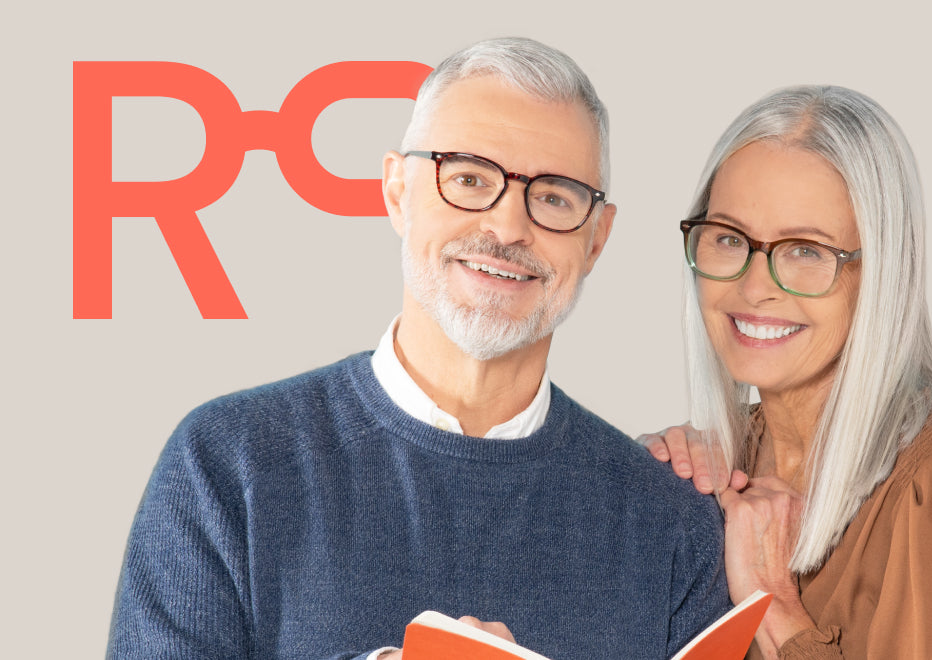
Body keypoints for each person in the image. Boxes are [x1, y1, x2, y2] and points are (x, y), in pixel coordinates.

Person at [109, 37, 731, 659]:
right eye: (467, 178)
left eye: (553, 197)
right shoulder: (227, 463)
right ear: (397, 192)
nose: (508, 227)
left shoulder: (671, 525)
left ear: (597, 240)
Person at [639, 85, 932, 659]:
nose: (755, 288)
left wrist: (772, 604)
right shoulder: (732, 457)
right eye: (730, 239)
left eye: (806, 250)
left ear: (881, 273)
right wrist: (642, 495)